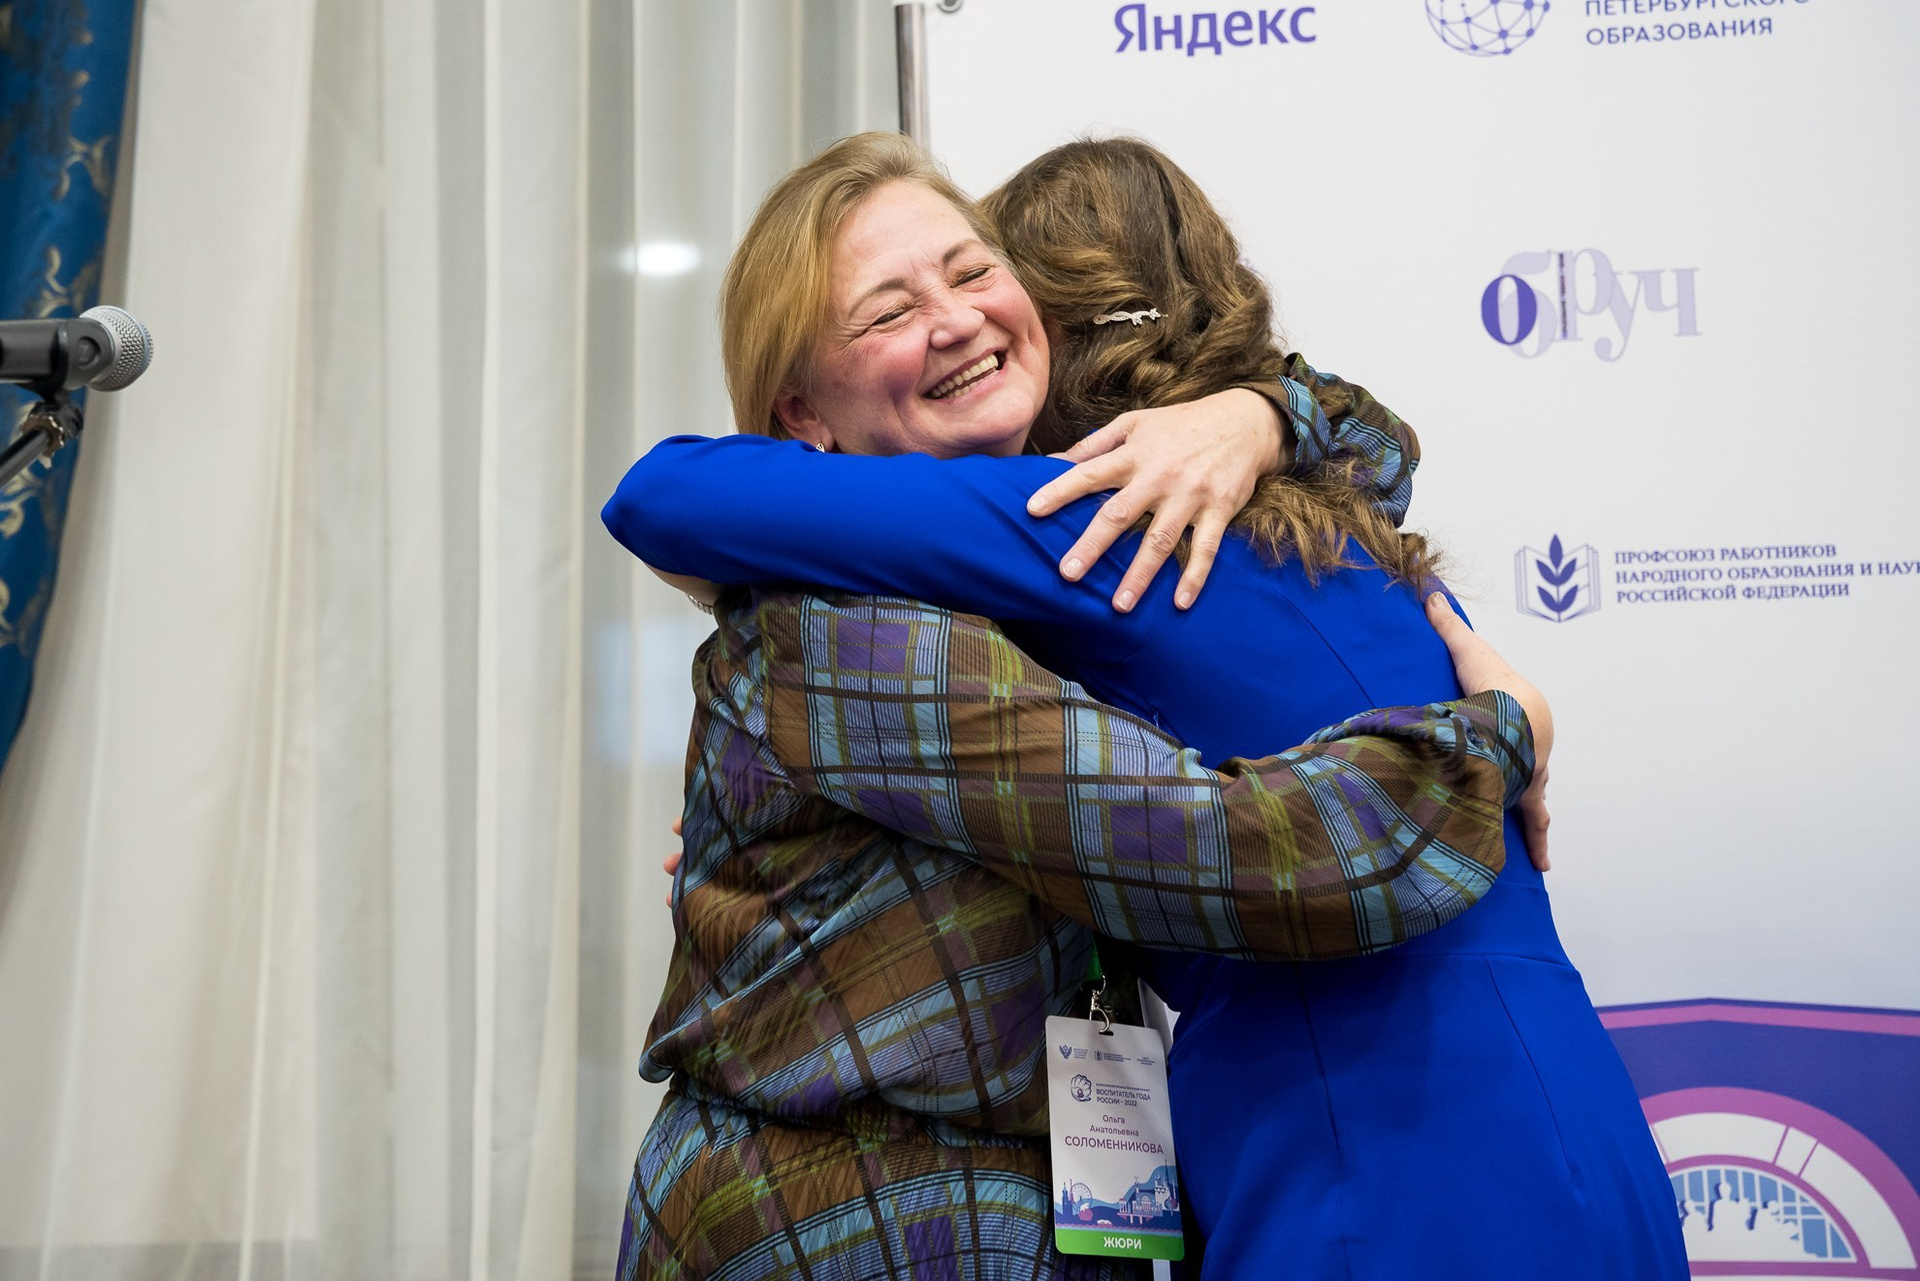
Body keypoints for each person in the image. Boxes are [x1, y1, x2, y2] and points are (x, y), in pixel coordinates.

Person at [606, 135, 1685, 1278]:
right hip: (1576, 1121)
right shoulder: (1351, 530)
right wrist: (1271, 413)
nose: (959, 319)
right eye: (890, 309)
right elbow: (1378, 439)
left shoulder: (1086, 521)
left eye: (976, 273)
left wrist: (1500, 735)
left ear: (1051, 315)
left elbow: (667, 495)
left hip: (1365, 1151)